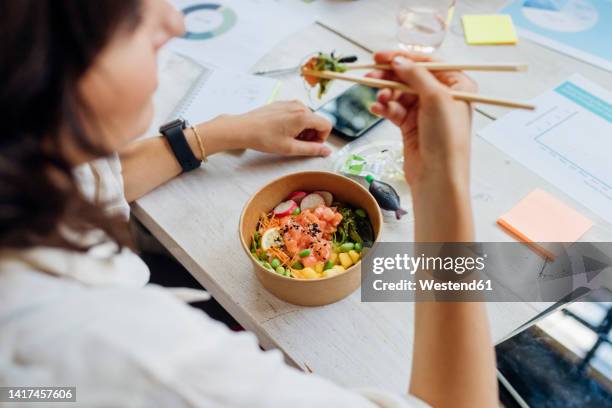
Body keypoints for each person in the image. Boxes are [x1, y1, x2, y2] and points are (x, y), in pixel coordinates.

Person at [0, 1, 497, 407]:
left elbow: (90, 184)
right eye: (129, 15)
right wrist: (442, 179)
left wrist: (215, 135)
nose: (175, 21)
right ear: (34, 68)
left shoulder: (24, 166)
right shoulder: (143, 361)